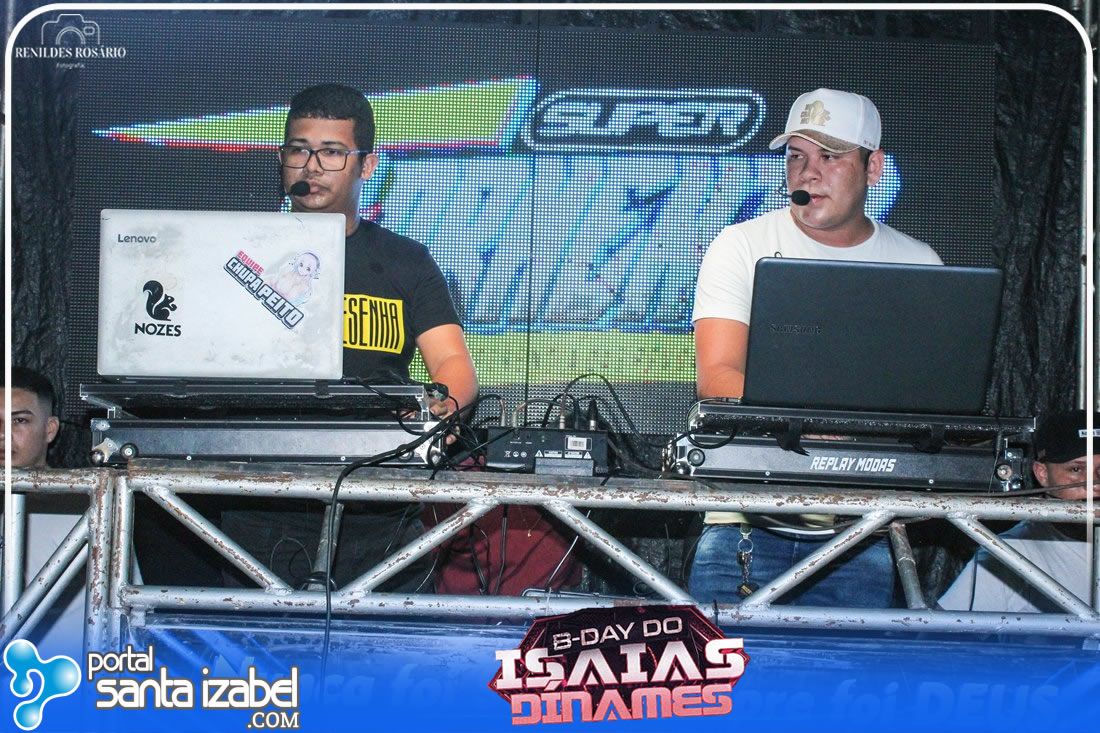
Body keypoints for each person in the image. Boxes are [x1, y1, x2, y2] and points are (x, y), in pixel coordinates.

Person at [689, 89, 943, 607]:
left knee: (846, 663)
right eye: (796, 156)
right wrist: (812, 421)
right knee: (726, 663)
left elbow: (935, 401)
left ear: (873, 168)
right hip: (746, 525)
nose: (808, 173)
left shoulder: (919, 263)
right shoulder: (740, 244)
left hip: (861, 529)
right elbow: (717, 377)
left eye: (830, 156)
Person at [221, 84, 478, 591]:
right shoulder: (236, 251)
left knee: (384, 640)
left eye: (332, 153)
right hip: (258, 496)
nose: (312, 166)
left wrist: (443, 409)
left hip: (379, 500)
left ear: (367, 165)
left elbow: (452, 362)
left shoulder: (405, 260)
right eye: (299, 150)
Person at [938, 410, 1098, 612]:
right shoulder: (1013, 552)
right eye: (1076, 470)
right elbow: (942, 629)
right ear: (1042, 474)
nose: (1095, 484)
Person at [3, 366, 84, 652]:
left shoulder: (86, 507)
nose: (3, 434)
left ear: (50, 429)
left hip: (62, 669)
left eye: (19, 421)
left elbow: (129, 612)